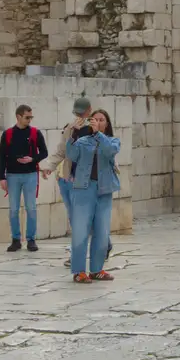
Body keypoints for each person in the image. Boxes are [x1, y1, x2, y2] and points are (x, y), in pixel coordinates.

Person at [40, 98, 95, 268]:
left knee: (92, 218)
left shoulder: (95, 129)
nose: (80, 116)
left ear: (89, 111)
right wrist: (48, 166)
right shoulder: (69, 129)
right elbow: (61, 151)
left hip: (89, 181)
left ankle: (103, 245)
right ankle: (76, 254)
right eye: (77, 113)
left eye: (82, 113)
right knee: (75, 218)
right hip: (69, 180)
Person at [68, 109, 121, 283]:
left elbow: (110, 150)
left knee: (102, 231)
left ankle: (97, 269)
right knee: (80, 230)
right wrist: (72, 133)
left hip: (104, 190)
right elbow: (71, 155)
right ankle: (78, 271)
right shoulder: (83, 141)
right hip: (83, 189)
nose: (97, 122)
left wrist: (99, 134)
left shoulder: (112, 141)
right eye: (95, 119)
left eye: (101, 119)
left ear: (107, 123)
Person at [0, 104, 48, 252]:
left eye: (31, 117)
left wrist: (32, 159)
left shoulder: (35, 133)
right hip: (12, 175)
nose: (29, 120)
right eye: (27, 117)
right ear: (18, 117)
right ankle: (15, 239)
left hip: (30, 175)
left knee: (31, 208)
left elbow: (44, 152)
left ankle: (31, 239)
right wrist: (2, 177)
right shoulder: (7, 134)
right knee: (13, 209)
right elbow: (2, 157)